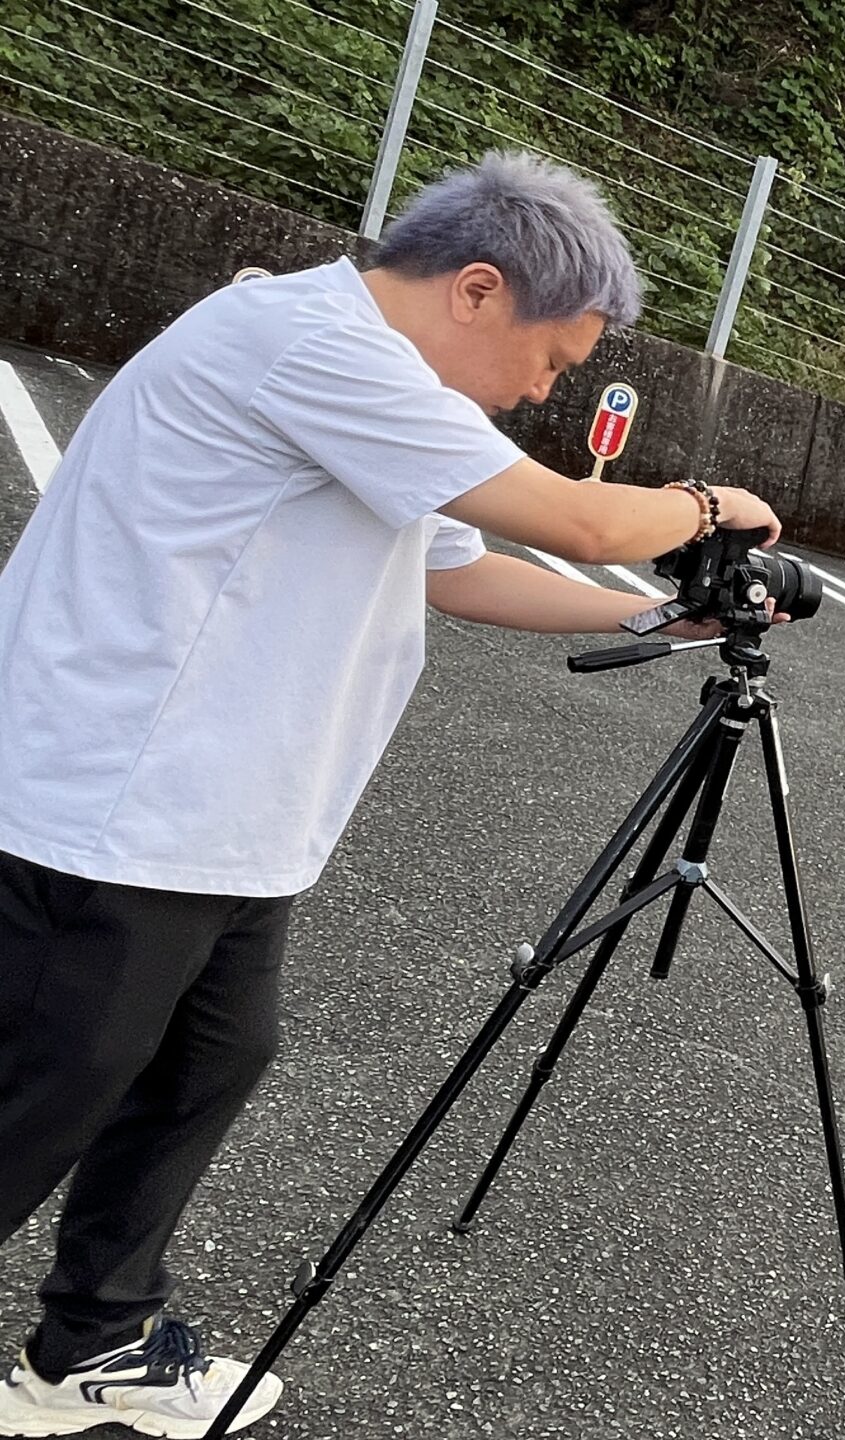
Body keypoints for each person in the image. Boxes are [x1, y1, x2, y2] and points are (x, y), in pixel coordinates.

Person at [0, 152, 784, 1437]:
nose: (547, 390)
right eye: (549, 360)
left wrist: (666, 615)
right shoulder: (310, 340)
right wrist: (705, 507)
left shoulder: (390, 400)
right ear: (477, 290)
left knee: (210, 1062)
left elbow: (461, 573)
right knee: (39, 1093)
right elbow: (572, 519)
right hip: (115, 806)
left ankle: (90, 1345)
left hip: (230, 824)